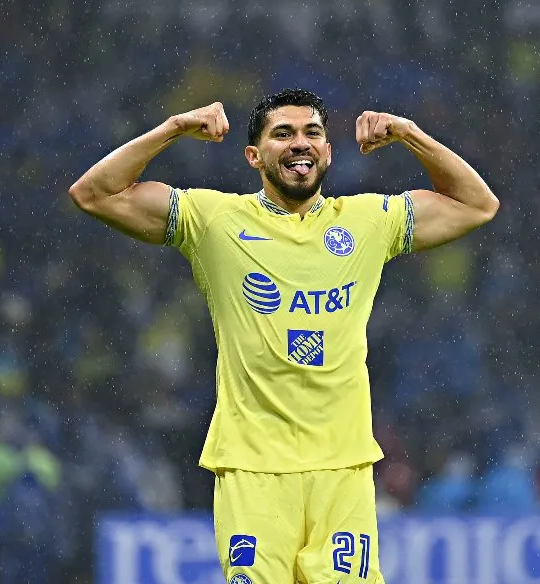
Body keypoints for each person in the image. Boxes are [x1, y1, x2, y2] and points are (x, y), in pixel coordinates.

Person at [69, 89, 498, 584]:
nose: (301, 143)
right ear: (254, 156)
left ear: (329, 150)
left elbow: (476, 204)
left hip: (342, 468)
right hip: (253, 469)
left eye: (313, 132)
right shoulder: (214, 220)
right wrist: (173, 128)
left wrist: (409, 135)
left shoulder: (366, 222)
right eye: (283, 134)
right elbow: (94, 193)